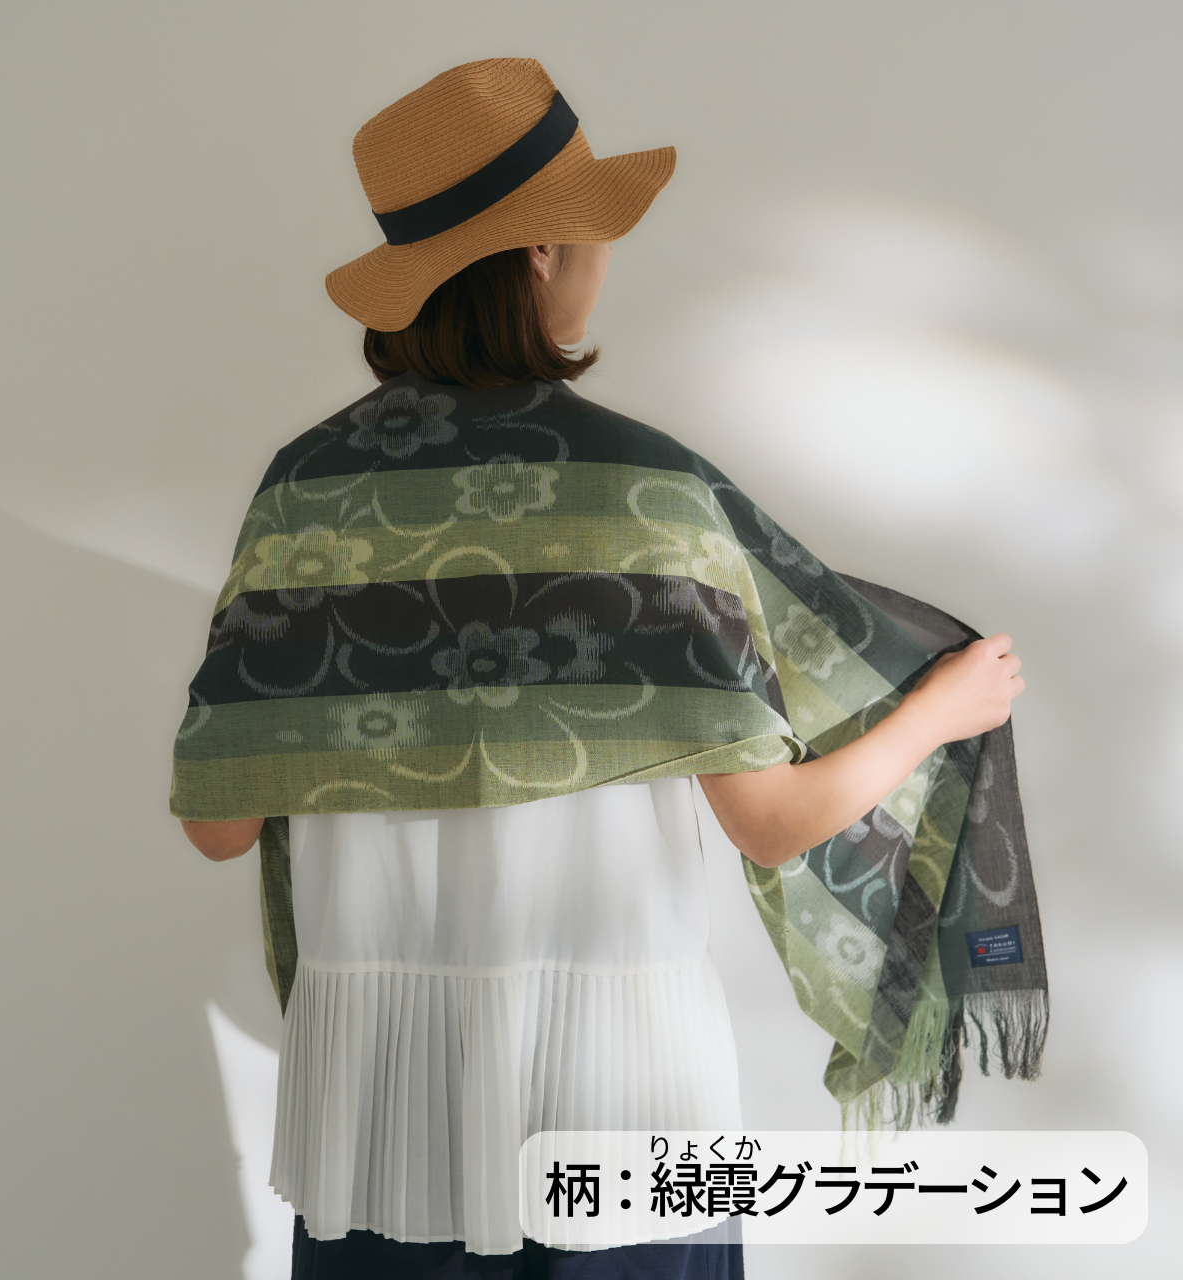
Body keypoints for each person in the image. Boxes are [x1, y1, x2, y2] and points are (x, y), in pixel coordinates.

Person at [177, 58, 1024, 1279]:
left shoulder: (304, 495)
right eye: (592, 229)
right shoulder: (642, 494)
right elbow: (772, 822)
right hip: (617, 1102)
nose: (602, 257)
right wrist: (937, 710)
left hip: (376, 1120)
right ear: (539, 250)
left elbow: (217, 825)